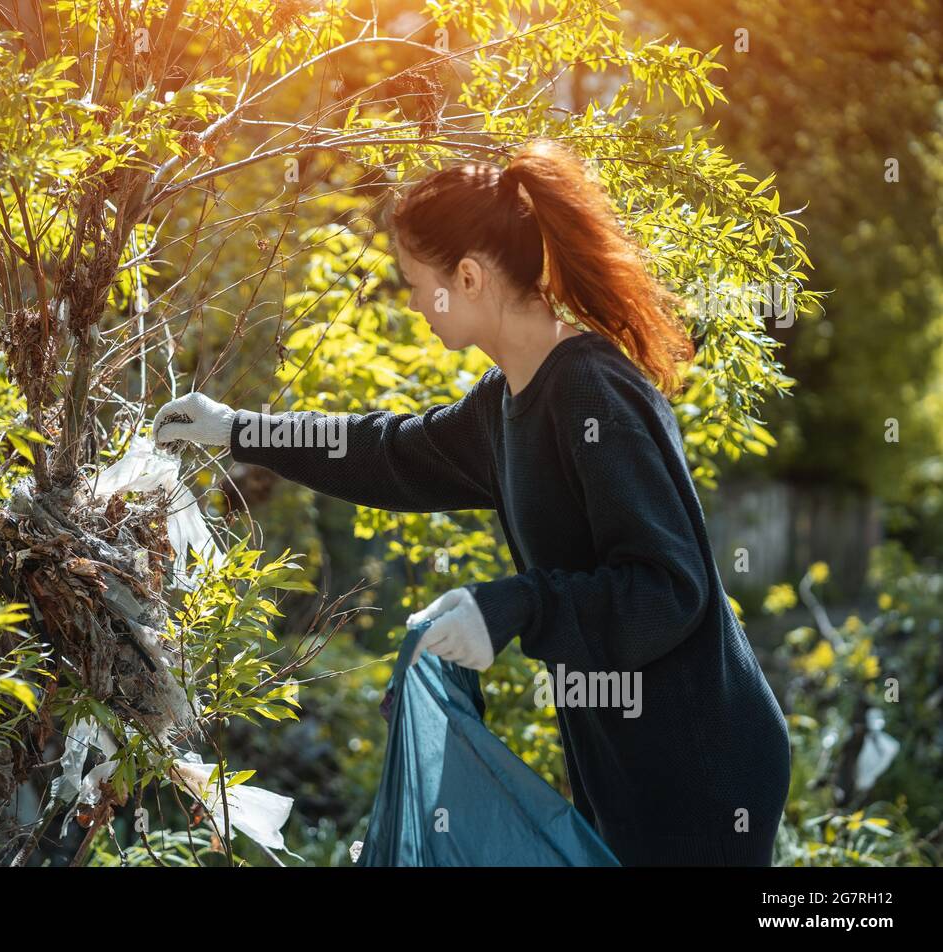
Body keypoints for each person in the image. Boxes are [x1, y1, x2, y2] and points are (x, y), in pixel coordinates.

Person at [151, 138, 791, 867]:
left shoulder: (591, 393)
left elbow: (669, 589)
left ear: (469, 276)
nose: (414, 302)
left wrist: (511, 607)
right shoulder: (506, 404)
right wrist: (240, 430)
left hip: (699, 764)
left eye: (416, 283)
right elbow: (390, 452)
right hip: (623, 757)